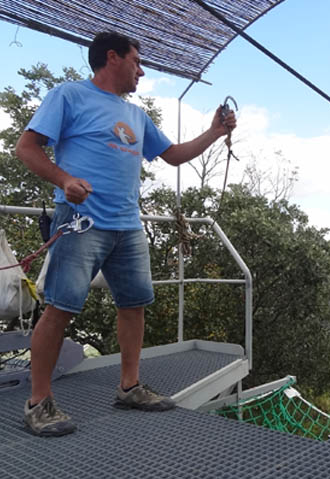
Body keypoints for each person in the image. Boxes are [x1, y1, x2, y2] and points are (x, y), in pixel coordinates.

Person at [15, 31, 237, 437]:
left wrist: (215, 133)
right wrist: (64, 179)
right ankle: (38, 403)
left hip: (128, 225)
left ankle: (129, 387)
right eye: (137, 61)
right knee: (60, 308)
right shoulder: (69, 95)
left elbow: (172, 156)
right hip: (81, 221)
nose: (142, 70)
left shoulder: (136, 115)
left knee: (134, 304)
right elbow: (25, 148)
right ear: (112, 57)